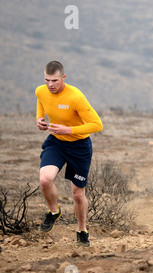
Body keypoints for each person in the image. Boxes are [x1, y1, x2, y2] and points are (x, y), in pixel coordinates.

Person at [36, 61, 103, 247]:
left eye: (54, 80)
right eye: (47, 80)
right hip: (56, 143)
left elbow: (97, 125)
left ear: (63, 78)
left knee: (77, 194)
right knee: (45, 179)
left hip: (79, 147)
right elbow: (41, 103)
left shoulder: (75, 97)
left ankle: (82, 230)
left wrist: (69, 130)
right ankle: (54, 212)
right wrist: (39, 119)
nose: (50, 84)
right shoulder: (40, 91)